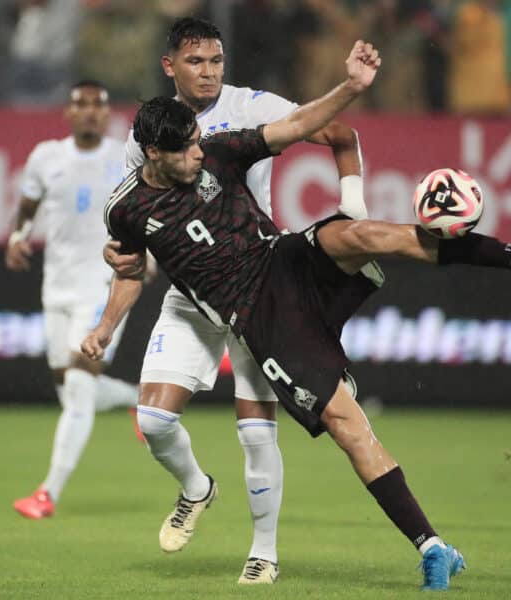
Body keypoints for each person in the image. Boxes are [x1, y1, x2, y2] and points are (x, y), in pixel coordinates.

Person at [80, 41, 504, 591]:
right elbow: (130, 267)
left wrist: (351, 86)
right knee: (345, 423)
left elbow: (303, 122)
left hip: (284, 259)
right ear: (152, 155)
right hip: (257, 318)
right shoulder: (126, 208)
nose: (197, 154)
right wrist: (106, 326)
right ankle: (434, 547)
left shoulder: (220, 148)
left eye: (195, 141)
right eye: (184, 150)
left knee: (369, 234)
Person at [103, 17, 369, 584]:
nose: (210, 72)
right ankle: (197, 488)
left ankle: (264, 551)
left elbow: (333, 133)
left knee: (255, 430)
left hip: (258, 285)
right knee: (152, 420)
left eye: (217, 61)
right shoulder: (146, 132)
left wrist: (353, 207)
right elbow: (147, 224)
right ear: (169, 65)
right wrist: (127, 261)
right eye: (196, 62)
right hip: (193, 291)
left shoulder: (251, 107)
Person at [5, 80, 139, 519]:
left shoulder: (124, 158)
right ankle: (137, 397)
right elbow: (27, 207)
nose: (89, 113)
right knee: (68, 387)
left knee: (79, 388)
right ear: (68, 112)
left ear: (107, 113)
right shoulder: (47, 157)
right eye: (81, 105)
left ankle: (47, 493)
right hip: (56, 288)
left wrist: (148, 254)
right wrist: (18, 236)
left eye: (98, 106)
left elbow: (147, 212)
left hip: (102, 287)